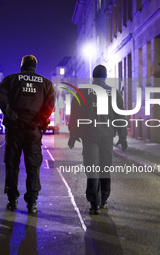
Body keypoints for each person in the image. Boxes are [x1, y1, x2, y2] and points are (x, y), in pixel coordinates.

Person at [0, 55, 55, 213]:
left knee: (12, 165)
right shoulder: (46, 84)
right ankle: (32, 202)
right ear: (35, 66)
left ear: (22, 65)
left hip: (14, 129)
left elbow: (3, 101)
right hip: (33, 130)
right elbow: (49, 105)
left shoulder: (10, 80)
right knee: (33, 166)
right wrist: (37, 120)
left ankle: (12, 199)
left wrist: (14, 118)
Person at [68, 65, 127, 215]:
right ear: (106, 76)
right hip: (107, 134)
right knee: (105, 166)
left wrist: (73, 134)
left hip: (89, 134)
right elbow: (120, 116)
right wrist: (123, 136)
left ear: (93, 77)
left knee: (92, 167)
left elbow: (74, 114)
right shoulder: (114, 93)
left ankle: (94, 202)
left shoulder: (82, 92)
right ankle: (103, 199)